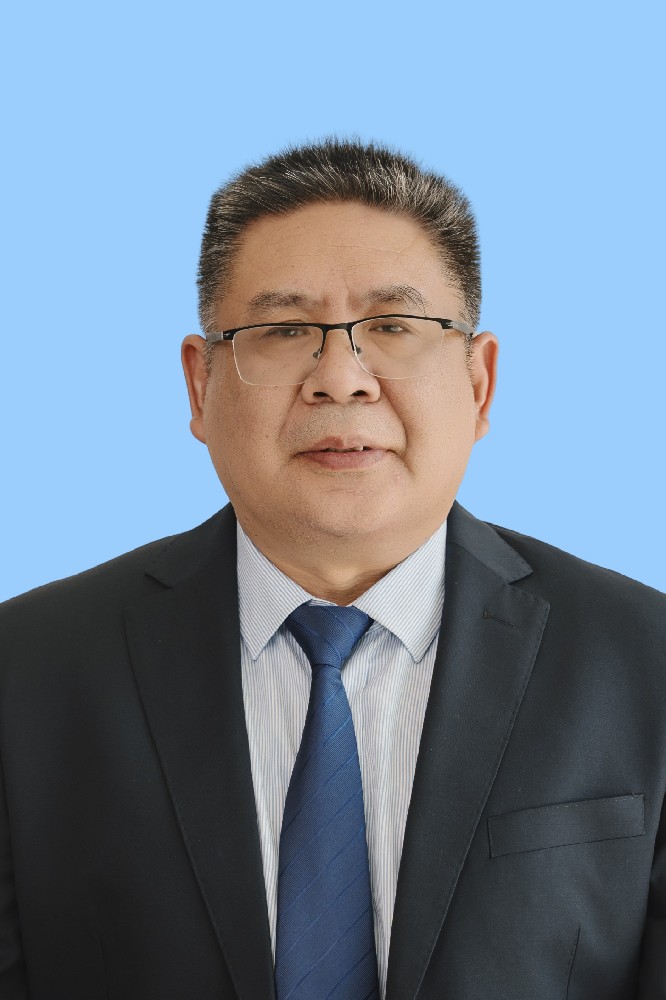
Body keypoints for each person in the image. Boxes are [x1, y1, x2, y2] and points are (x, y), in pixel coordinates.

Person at [0, 139, 664, 1000]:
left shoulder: (645, 660)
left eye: (394, 326)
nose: (342, 379)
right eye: (283, 331)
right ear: (200, 387)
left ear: (479, 382)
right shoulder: (27, 670)